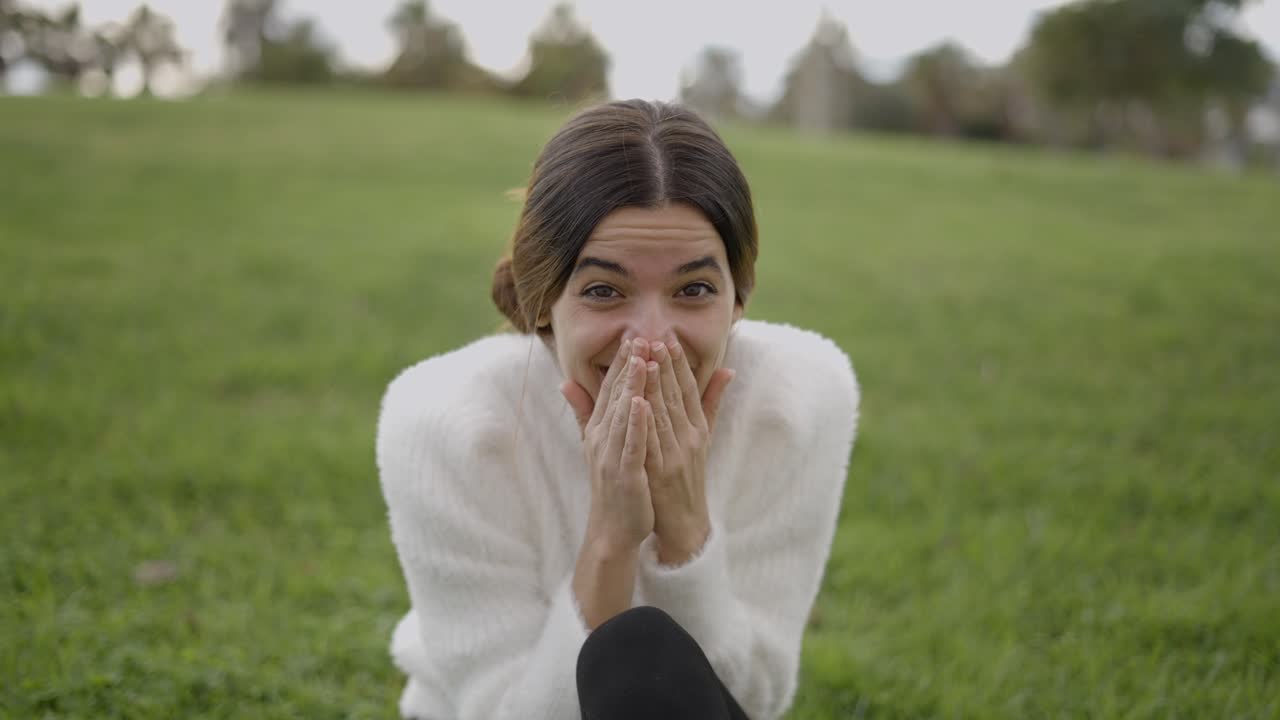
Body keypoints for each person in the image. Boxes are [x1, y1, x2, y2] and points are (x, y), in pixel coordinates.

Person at [376, 99, 860, 720]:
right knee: (633, 649)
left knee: (644, 651)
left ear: (738, 300)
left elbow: (754, 698)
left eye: (694, 289)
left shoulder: (797, 398)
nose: (651, 341)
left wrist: (685, 529)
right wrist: (610, 537)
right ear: (543, 300)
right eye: (604, 290)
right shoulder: (445, 418)